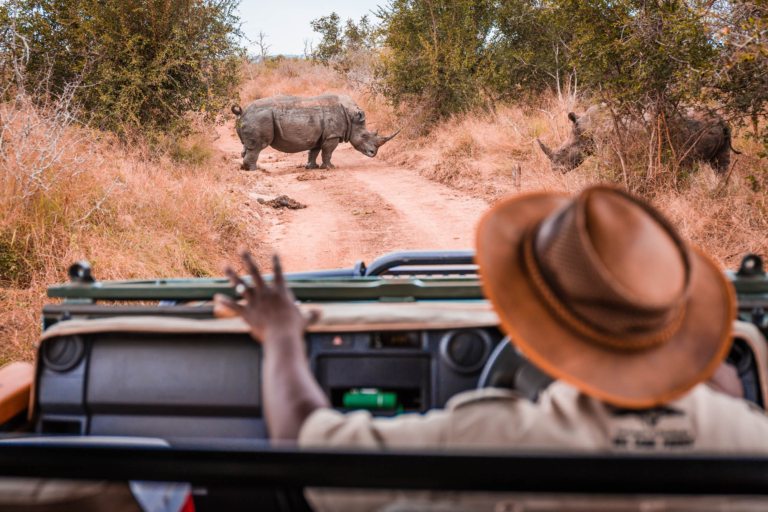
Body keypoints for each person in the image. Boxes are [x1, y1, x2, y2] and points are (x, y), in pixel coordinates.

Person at [216, 185, 768, 507]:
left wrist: (284, 336)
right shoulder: (749, 438)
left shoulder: (490, 435)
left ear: (533, 332)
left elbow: (306, 446)